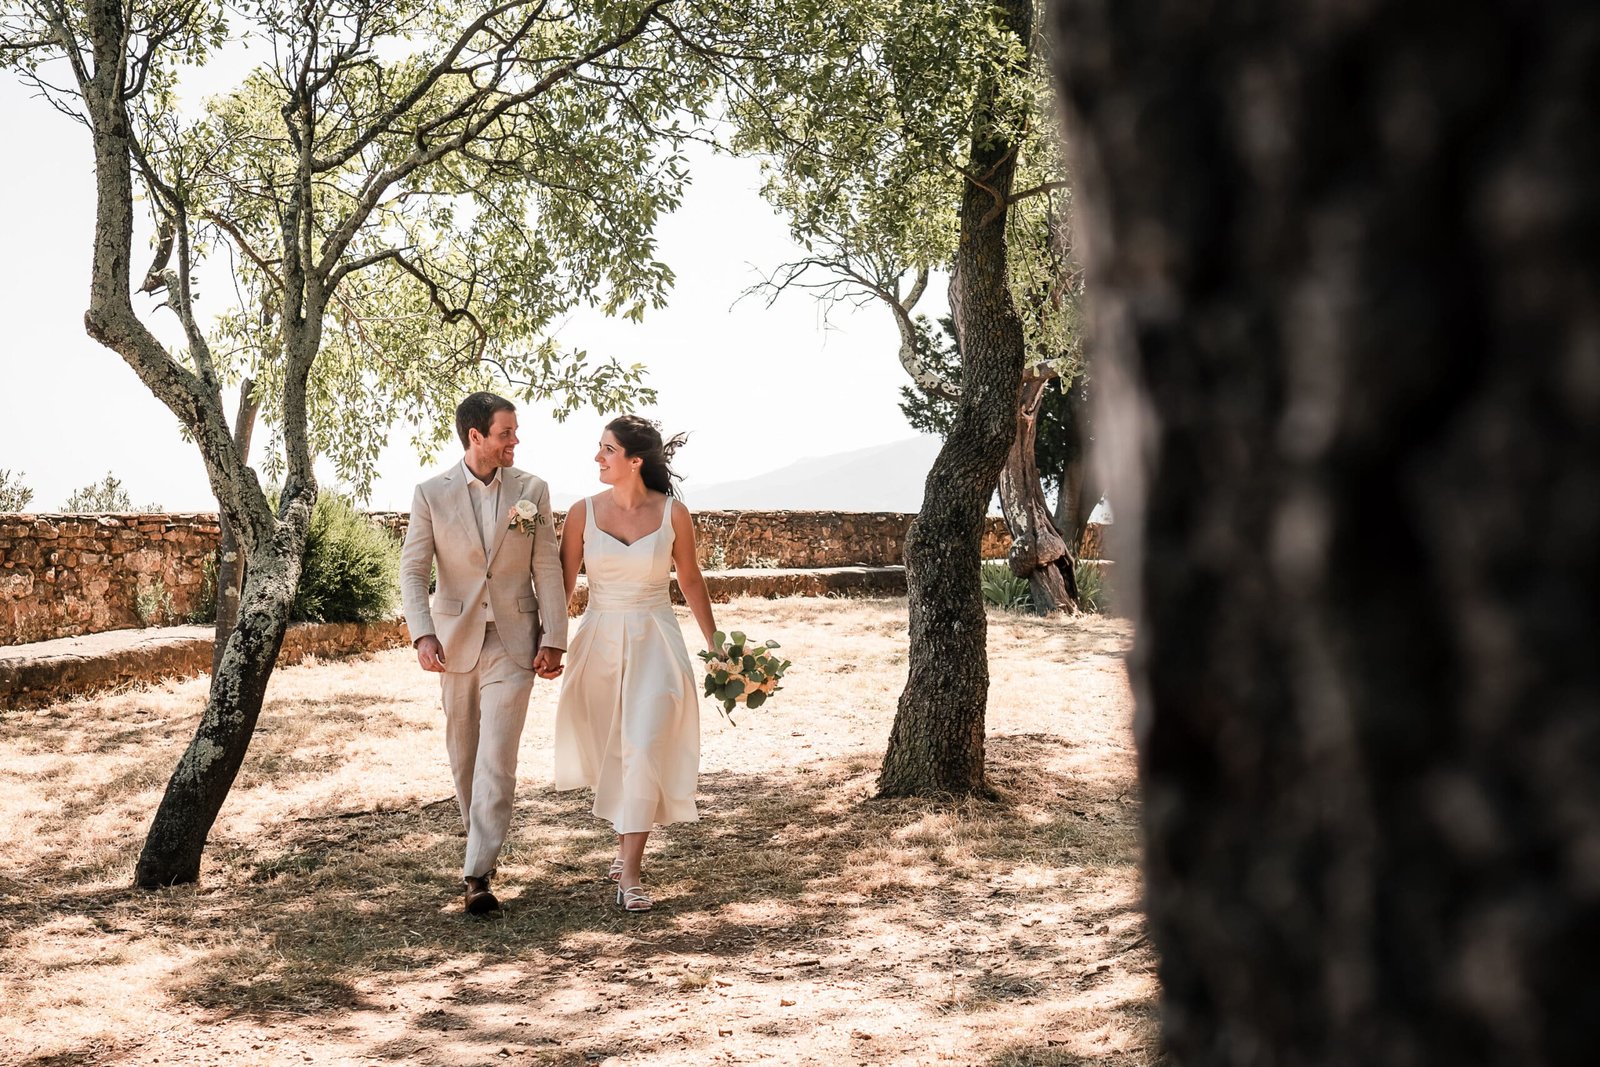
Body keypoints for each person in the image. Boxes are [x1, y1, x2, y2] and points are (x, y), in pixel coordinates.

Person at [400, 392, 568, 915]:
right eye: (505, 434)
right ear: (476, 437)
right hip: (455, 642)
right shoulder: (431, 493)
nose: (515, 441)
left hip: (516, 641)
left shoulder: (532, 491)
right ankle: (480, 849)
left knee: (497, 758)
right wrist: (422, 633)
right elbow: (412, 570)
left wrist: (555, 636)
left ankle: (477, 873)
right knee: (464, 756)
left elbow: (547, 566)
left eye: (515, 432)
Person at [552, 415, 717, 912]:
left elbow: (691, 581)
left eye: (607, 449)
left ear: (634, 460)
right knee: (612, 751)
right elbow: (560, 587)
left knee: (643, 745)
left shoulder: (674, 515)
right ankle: (626, 840)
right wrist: (550, 645)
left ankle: (630, 875)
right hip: (598, 642)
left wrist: (718, 646)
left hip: (656, 643)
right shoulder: (581, 512)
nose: (598, 457)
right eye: (599, 448)